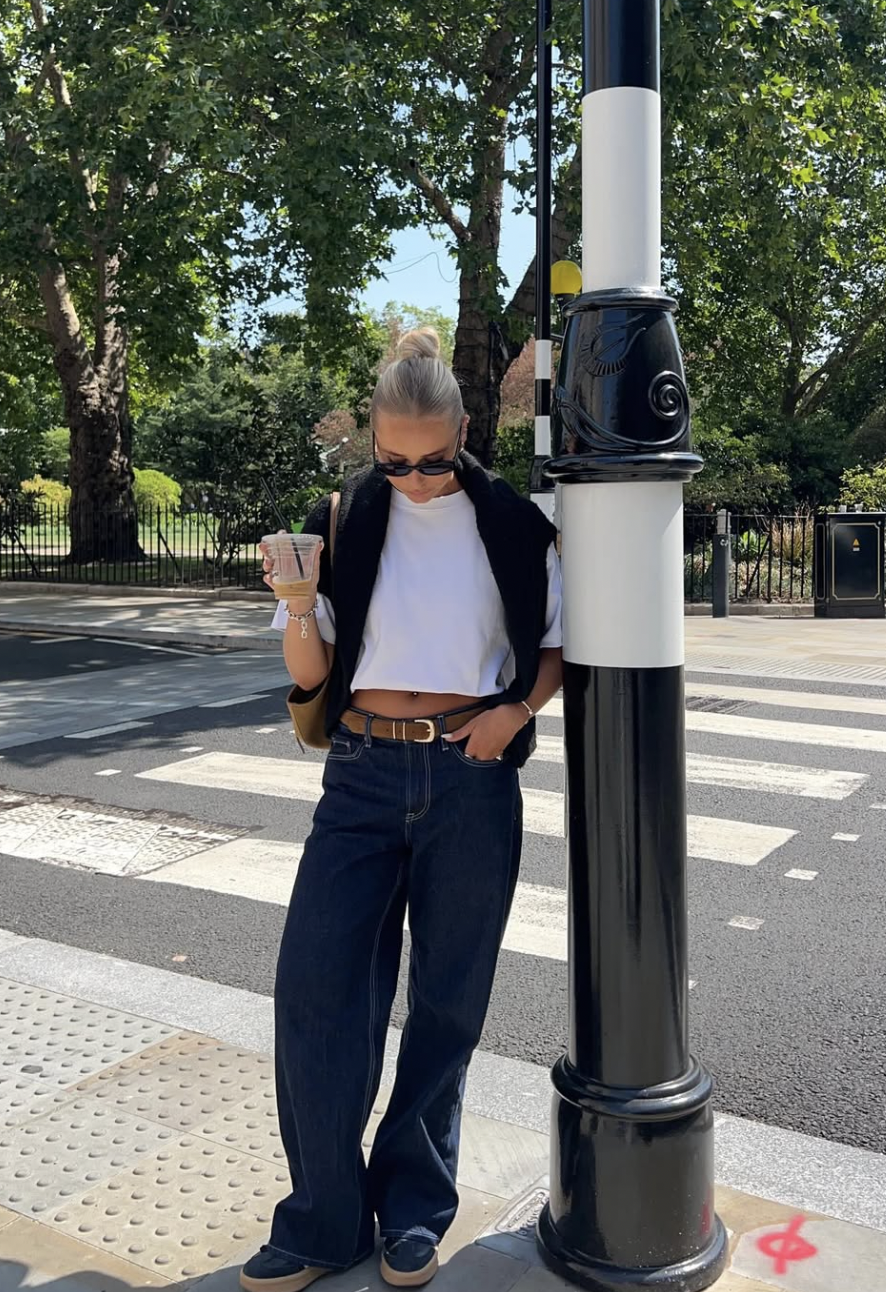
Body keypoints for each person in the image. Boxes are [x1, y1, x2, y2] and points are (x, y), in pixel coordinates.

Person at [240, 327, 563, 1292]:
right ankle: (320, 1220)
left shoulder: (514, 521)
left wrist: (518, 712)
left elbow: (552, 645)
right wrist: (299, 605)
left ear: (464, 430)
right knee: (316, 991)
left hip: (473, 771)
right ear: (372, 445)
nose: (417, 480)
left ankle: (414, 1211)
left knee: (448, 1005)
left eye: (434, 460)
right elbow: (312, 675)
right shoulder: (346, 517)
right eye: (395, 461)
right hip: (363, 774)